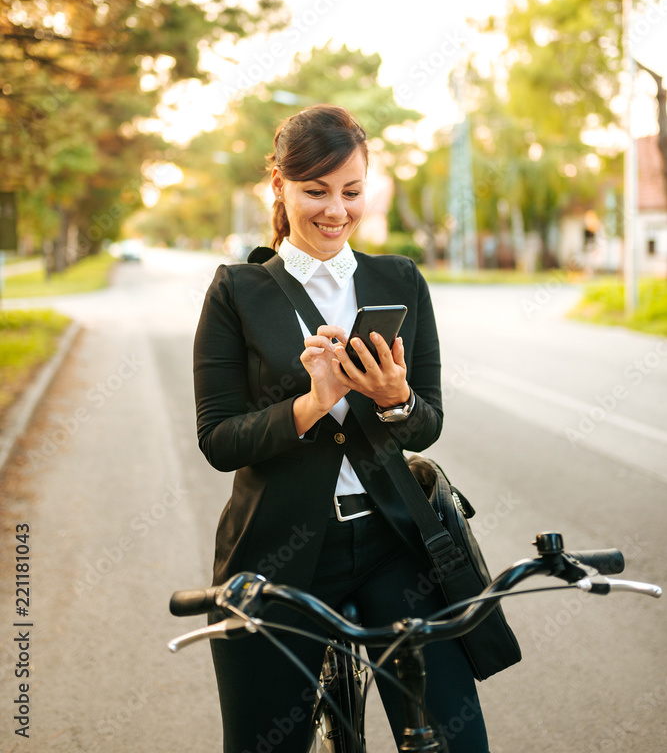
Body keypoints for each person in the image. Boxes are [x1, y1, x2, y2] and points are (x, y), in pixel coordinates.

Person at [194, 104, 490, 752]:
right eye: (315, 191)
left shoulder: (400, 279)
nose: (335, 210)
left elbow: (427, 423)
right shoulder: (236, 291)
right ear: (279, 185)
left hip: (395, 540)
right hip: (279, 549)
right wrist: (308, 404)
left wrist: (396, 401)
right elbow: (218, 439)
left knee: (453, 741)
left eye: (351, 192)